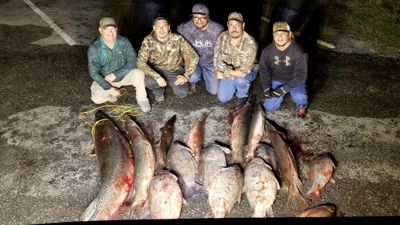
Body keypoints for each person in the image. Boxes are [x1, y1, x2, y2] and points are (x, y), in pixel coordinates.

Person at [87, 17, 151, 112]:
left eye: (113, 29)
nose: (110, 32)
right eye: (107, 29)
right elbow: (93, 73)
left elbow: (132, 60)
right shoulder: (94, 48)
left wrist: (117, 74)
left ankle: (142, 99)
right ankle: (109, 93)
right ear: (100, 30)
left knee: (139, 74)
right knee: (97, 99)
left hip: (124, 75)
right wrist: (108, 88)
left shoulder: (124, 41)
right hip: (107, 79)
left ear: (116, 29)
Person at [136, 15, 199, 102]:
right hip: (157, 70)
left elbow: (194, 56)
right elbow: (140, 62)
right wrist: (157, 77)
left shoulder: (178, 39)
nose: (161, 29)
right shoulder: (148, 41)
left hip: (175, 70)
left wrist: (186, 76)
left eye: (164, 26)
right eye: (158, 26)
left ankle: (169, 82)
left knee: (182, 92)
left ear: (168, 27)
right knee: (148, 81)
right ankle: (159, 92)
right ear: (154, 28)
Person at [259, 21, 308, 118]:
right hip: (277, 79)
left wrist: (282, 90)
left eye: (283, 33)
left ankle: (302, 106)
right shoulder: (267, 51)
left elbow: (301, 76)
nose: (279, 37)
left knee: (299, 96)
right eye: (276, 34)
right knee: (269, 108)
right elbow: (264, 70)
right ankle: (278, 97)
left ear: (290, 35)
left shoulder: (299, 52)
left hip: (294, 79)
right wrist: (266, 87)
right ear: (273, 36)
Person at [177, 3, 224, 95]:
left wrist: (219, 67)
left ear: (208, 17)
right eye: (195, 17)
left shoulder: (218, 29)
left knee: (214, 91)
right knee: (192, 77)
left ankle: (207, 75)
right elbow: (180, 47)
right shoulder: (183, 29)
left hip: (211, 63)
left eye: (202, 17)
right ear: (192, 17)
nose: (199, 20)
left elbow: (222, 50)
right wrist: (186, 63)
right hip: (193, 62)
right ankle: (192, 83)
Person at [213, 12, 258, 104]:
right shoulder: (222, 37)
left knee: (241, 80)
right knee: (223, 98)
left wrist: (224, 74)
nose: (234, 28)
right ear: (227, 25)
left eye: (237, 25)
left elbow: (243, 71)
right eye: (231, 25)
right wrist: (231, 72)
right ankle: (233, 85)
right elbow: (217, 61)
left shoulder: (250, 42)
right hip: (231, 71)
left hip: (247, 71)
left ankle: (242, 95)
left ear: (243, 25)